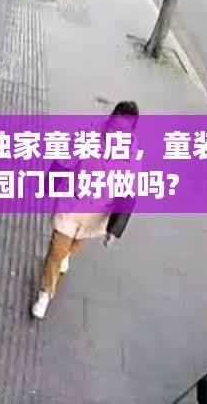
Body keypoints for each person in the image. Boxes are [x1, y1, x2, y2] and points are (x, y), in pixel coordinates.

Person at [31, 101, 140, 319]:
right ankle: (45, 292)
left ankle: (67, 254)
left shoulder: (131, 155)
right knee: (57, 249)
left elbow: (128, 193)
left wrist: (114, 230)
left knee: (76, 243)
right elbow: (64, 160)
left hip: (98, 211)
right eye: (114, 127)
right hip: (72, 202)